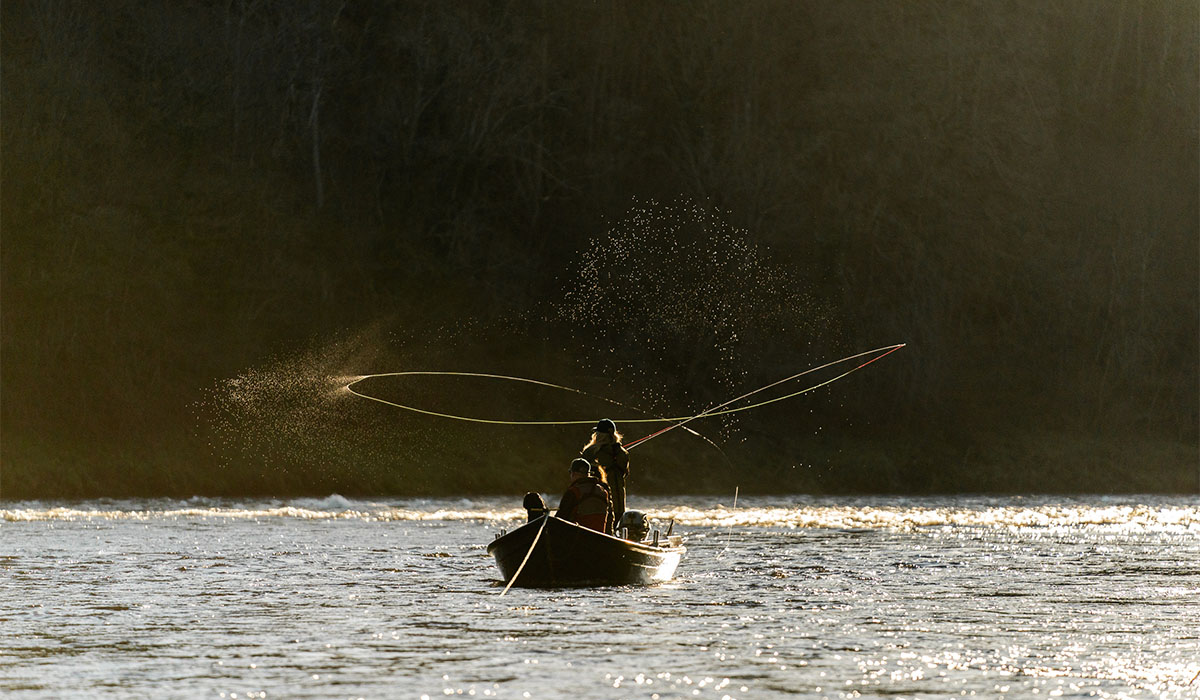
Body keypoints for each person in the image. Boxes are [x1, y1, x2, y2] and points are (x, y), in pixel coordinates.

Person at [581, 418, 630, 524]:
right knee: (616, 524)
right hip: (618, 501)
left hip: (597, 498)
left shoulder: (591, 452)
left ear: (598, 434)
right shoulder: (622, 453)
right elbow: (624, 473)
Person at [556, 458, 612, 534]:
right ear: (588, 474)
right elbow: (610, 520)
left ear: (573, 473)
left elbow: (560, 520)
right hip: (600, 539)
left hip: (578, 540)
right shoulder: (603, 492)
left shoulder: (573, 492)